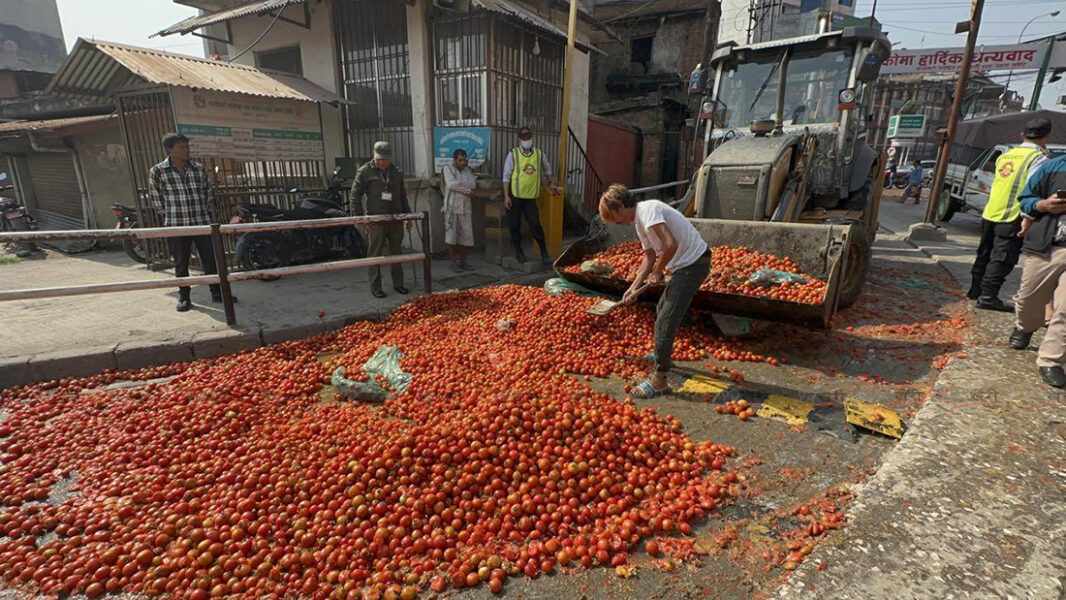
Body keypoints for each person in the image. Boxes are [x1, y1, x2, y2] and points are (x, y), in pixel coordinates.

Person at [598, 184, 711, 399]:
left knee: (665, 320)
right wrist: (632, 288)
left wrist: (658, 272)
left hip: (694, 263)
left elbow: (670, 244)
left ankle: (660, 379)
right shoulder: (640, 223)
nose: (617, 223)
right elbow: (648, 258)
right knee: (661, 309)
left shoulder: (649, 210)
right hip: (682, 266)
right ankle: (663, 355)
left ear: (621, 206)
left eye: (615, 217)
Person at [968, 118, 1052, 312]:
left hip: (991, 211)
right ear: (1046, 136)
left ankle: (975, 290)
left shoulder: (1008, 154)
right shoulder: (1039, 159)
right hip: (1013, 214)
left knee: (984, 253)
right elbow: (1032, 188)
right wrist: (1027, 217)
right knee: (1003, 257)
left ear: (1022, 135)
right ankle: (988, 297)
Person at [149, 132, 235, 312]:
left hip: (201, 222)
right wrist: (170, 215)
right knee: (181, 263)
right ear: (170, 149)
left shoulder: (198, 168)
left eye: (187, 147)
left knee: (211, 260)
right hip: (176, 224)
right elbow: (157, 198)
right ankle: (184, 297)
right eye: (181, 147)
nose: (186, 150)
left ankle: (217, 293)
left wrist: (205, 209)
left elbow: (207, 192)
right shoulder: (158, 171)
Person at [1008, 153, 1066, 387]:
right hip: (1047, 246)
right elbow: (1026, 198)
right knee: (1029, 298)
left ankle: (1051, 359)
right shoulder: (1054, 166)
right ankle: (1025, 326)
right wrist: (1043, 205)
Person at [351, 141, 412, 299]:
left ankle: (399, 284)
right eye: (379, 159)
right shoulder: (364, 171)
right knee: (374, 254)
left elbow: (402, 195)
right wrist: (360, 218)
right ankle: (375, 286)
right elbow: (355, 195)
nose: (381, 162)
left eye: (384, 159)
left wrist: (408, 216)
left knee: (396, 253)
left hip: (395, 219)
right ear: (374, 155)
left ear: (390, 158)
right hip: (376, 220)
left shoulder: (397, 172)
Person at [502, 126, 556, 264]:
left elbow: (547, 168)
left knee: (535, 224)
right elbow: (506, 176)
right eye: (524, 138)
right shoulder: (513, 153)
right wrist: (506, 196)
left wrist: (551, 183)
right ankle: (518, 251)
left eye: (529, 137)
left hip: (530, 197)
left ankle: (544, 251)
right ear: (519, 139)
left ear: (532, 138)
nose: (527, 140)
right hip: (515, 196)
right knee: (514, 225)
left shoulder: (539, 154)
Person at [442, 148, 476, 272]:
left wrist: (461, 186)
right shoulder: (448, 168)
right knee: (451, 237)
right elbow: (451, 185)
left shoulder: (468, 171)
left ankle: (463, 261)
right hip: (452, 208)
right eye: (460, 160)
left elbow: (473, 184)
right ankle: (453, 262)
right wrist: (466, 190)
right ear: (455, 160)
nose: (463, 163)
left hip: (465, 208)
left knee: (467, 237)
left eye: (464, 160)